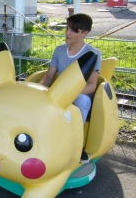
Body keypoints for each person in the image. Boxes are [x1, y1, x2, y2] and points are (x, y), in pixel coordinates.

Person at [39, 13, 102, 164]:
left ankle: (76, 145)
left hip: (81, 94)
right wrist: (36, 90)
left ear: (85, 33)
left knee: (80, 101)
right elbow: (48, 77)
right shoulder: (59, 50)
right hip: (58, 92)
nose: (67, 33)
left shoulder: (93, 54)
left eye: (74, 30)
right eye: (67, 28)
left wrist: (68, 94)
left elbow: (92, 85)